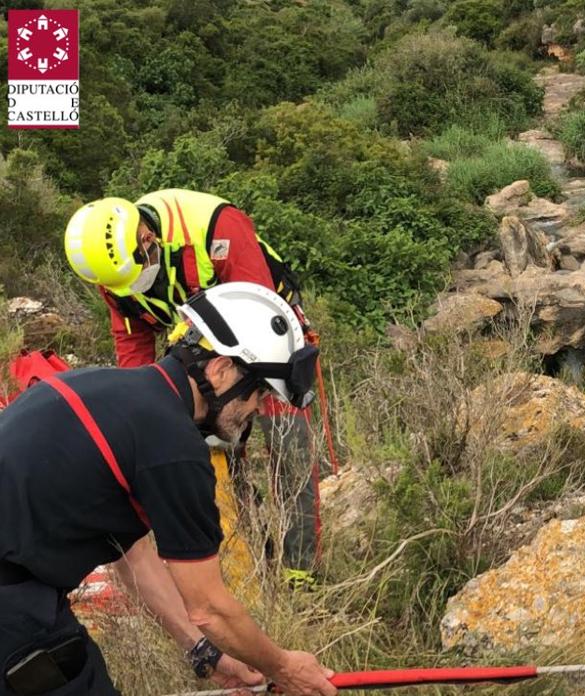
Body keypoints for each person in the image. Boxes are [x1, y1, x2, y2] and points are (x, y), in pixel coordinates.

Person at [0, 283, 335, 696]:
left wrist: (203, 653)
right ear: (221, 370)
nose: (258, 409)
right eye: (260, 391)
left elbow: (133, 557)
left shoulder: (109, 390)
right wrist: (285, 667)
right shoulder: (173, 446)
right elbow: (210, 608)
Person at [64, 190, 322, 583]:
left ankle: (302, 571)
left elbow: (256, 303)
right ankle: (250, 563)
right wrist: (146, 411)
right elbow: (133, 343)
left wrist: (224, 395)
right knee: (211, 457)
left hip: (271, 334)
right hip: (206, 357)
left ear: (146, 238)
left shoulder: (215, 227)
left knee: (288, 445)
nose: (133, 287)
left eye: (137, 276)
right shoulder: (113, 275)